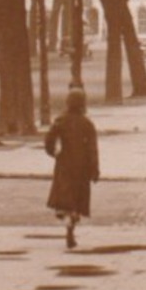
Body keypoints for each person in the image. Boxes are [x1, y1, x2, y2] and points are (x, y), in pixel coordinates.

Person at [44, 88, 100, 249]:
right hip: (82, 166)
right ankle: (72, 224)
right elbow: (92, 149)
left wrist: (53, 153)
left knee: (64, 195)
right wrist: (94, 169)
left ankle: (65, 215)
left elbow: (49, 140)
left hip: (64, 163)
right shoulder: (87, 124)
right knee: (77, 199)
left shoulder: (61, 120)